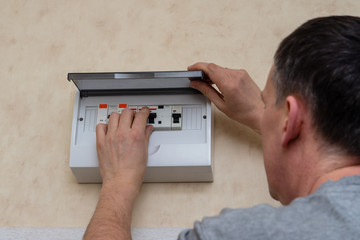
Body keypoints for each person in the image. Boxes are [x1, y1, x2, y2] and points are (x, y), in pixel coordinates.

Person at [83, 15, 360, 239]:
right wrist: (263, 114)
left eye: (268, 105)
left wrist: (118, 185)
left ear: (290, 119)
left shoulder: (241, 235)